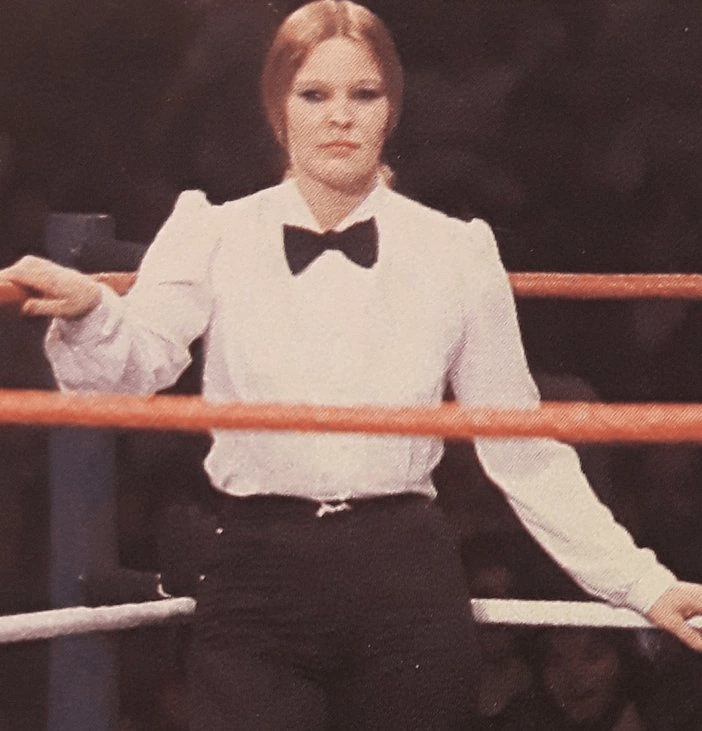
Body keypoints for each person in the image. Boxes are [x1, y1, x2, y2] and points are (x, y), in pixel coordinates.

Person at [2, 2, 702, 728]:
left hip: (404, 577)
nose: (340, 116)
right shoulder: (213, 230)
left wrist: (641, 583)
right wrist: (91, 309)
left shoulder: (455, 251)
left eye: (362, 94)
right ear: (280, 110)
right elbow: (130, 370)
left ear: (390, 109)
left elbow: (521, 448)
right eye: (315, 94)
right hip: (255, 575)